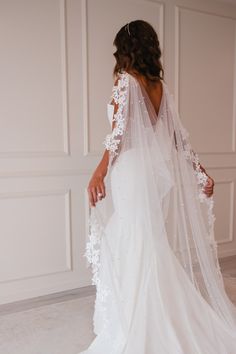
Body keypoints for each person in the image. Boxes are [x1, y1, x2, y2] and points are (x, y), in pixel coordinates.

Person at [81, 20, 236, 354]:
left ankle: (140, 319)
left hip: (131, 173)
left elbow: (119, 134)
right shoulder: (158, 87)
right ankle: (147, 311)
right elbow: (180, 139)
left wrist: (98, 172)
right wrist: (200, 173)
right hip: (150, 175)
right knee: (145, 239)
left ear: (126, 49)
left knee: (137, 240)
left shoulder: (126, 81)